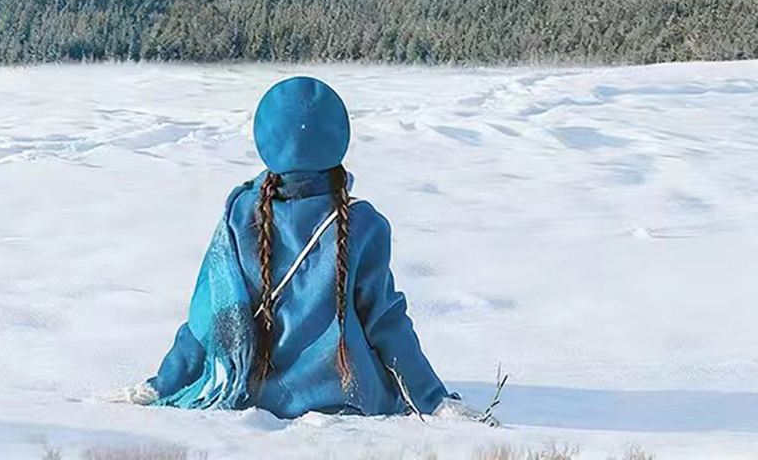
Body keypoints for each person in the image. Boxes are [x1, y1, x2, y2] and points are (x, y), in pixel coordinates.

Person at [115, 76, 482, 420]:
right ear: (339, 139)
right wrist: (432, 399)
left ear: (265, 141)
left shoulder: (240, 213)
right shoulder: (364, 224)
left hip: (254, 394)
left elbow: (210, 317)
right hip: (346, 396)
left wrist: (163, 383)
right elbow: (386, 323)